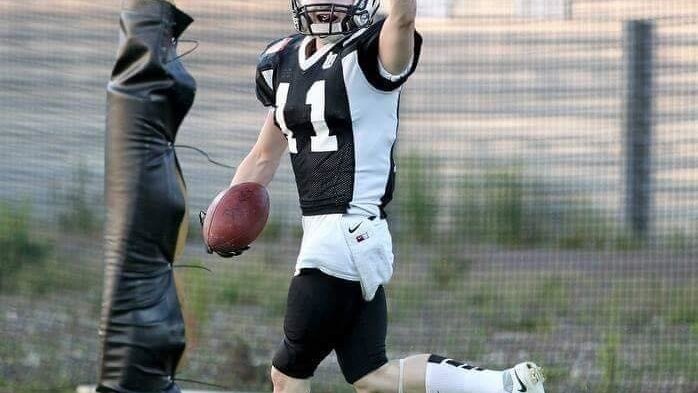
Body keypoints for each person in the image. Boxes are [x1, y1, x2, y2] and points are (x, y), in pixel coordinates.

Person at [228, 1, 547, 393]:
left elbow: (403, 18)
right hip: (354, 240)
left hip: (338, 240)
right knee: (372, 376)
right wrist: (224, 211)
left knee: (287, 376)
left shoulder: (370, 52)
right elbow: (263, 156)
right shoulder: (283, 61)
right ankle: (504, 386)